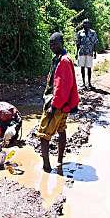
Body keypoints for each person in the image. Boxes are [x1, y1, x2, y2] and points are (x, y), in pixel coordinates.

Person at [35, 32, 79, 172]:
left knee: (43, 135)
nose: (51, 46)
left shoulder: (63, 61)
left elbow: (62, 86)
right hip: (63, 105)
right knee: (61, 130)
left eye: (54, 43)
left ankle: (46, 167)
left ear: (61, 43)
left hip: (57, 105)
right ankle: (60, 161)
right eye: (50, 44)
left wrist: (54, 106)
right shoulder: (61, 59)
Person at [76, 19, 99, 89]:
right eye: (84, 23)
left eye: (87, 23)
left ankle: (89, 83)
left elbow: (95, 43)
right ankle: (83, 83)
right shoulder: (79, 33)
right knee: (82, 67)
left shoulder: (93, 33)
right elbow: (78, 44)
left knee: (89, 68)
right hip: (81, 52)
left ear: (89, 24)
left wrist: (95, 52)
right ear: (82, 24)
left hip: (89, 52)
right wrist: (76, 53)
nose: (85, 25)